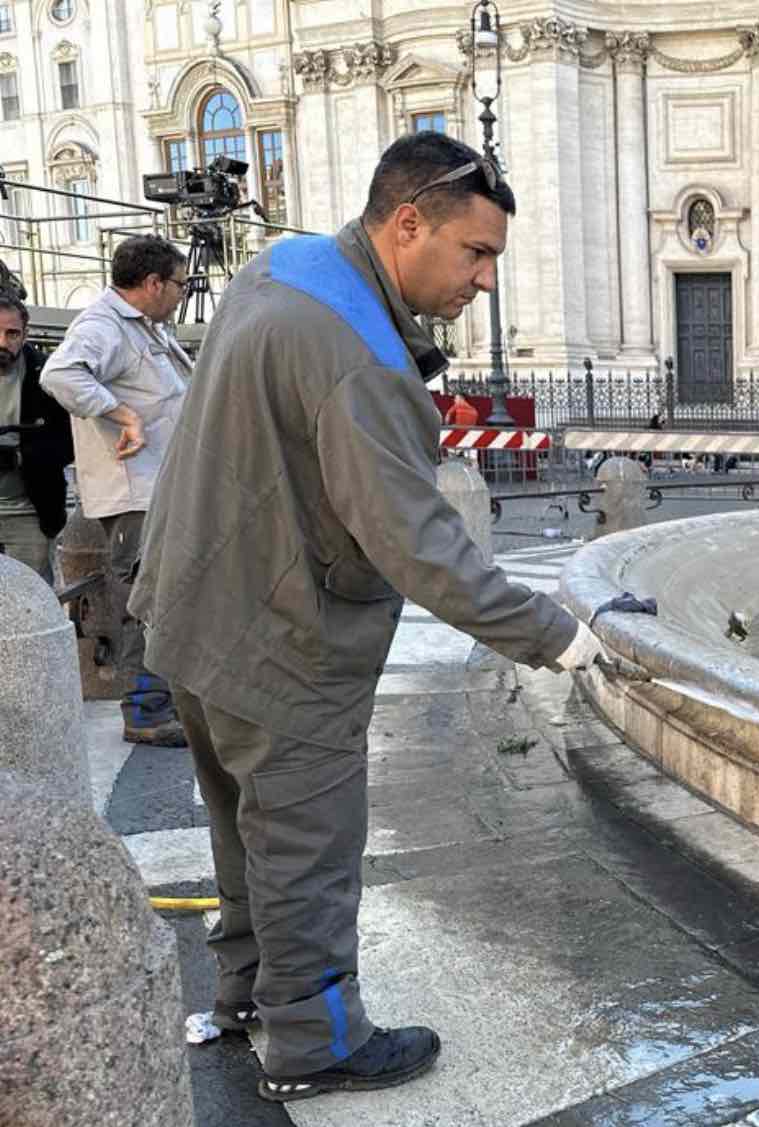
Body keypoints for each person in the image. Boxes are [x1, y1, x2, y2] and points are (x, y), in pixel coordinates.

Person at [129, 133, 608, 1102]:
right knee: (307, 846)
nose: (484, 280)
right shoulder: (361, 358)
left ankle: (246, 996)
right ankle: (316, 1041)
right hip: (281, 639)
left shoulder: (283, 267)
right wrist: (555, 633)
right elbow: (418, 543)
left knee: (244, 832)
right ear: (408, 224)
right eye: (476, 253)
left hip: (189, 609)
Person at [41, 235, 192, 747]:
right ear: (153, 283)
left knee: (168, 599)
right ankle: (147, 711)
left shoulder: (142, 326)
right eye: (180, 284)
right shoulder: (103, 325)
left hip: (160, 490)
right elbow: (61, 374)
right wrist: (124, 415)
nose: (183, 293)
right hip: (135, 496)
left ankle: (169, 701)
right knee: (147, 601)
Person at [0, 295, 74, 582]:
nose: (3, 342)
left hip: (29, 514)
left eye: (12, 333)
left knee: (32, 598)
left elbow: (69, 441)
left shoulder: (48, 376)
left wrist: (21, 457)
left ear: (25, 334)